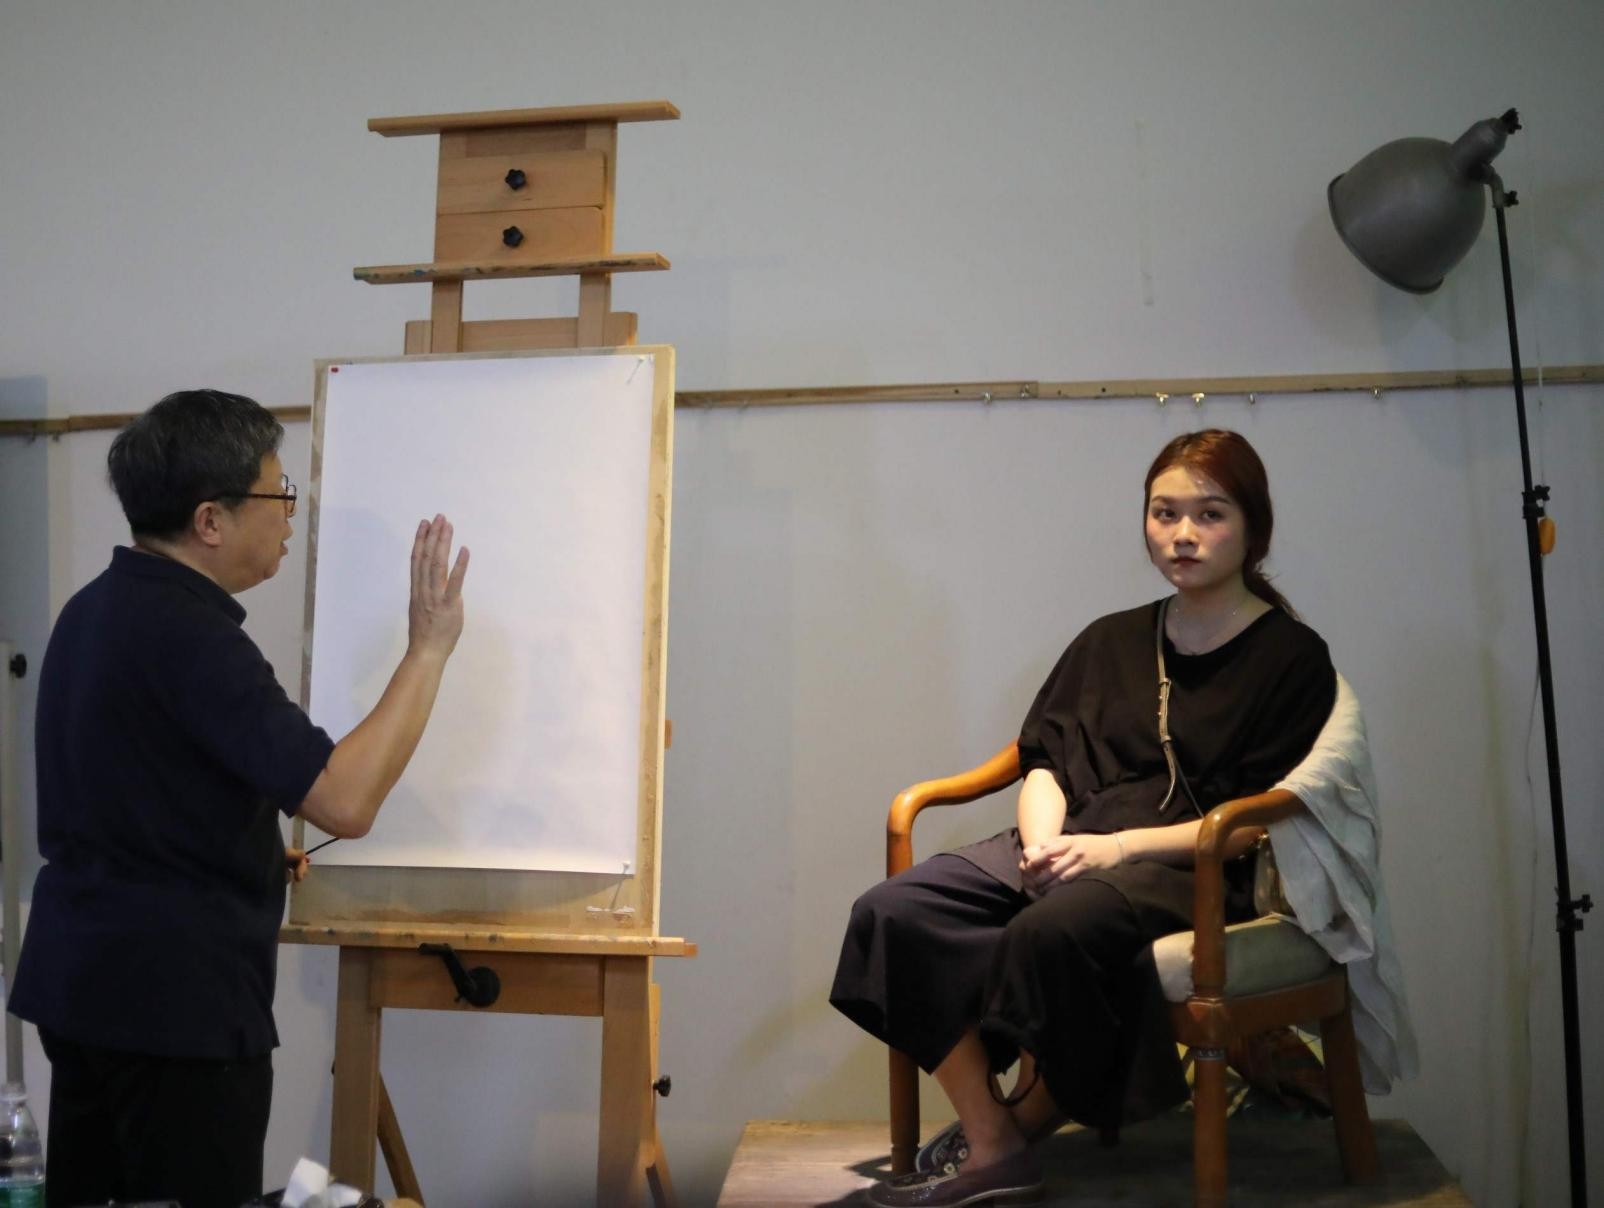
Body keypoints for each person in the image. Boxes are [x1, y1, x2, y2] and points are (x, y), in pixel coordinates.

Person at [831, 429, 1337, 1207]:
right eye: (1165, 513)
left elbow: (1254, 821)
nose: (1184, 533)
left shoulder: (1292, 658)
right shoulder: (1111, 639)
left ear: (1253, 529)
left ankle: (1017, 1130)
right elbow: (1046, 762)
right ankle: (994, 1140)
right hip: (1070, 842)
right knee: (894, 911)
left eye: (1210, 514)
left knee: (1053, 931)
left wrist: (1113, 852)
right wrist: (1043, 845)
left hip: (1192, 866)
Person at [9, 388, 471, 1208]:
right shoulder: (194, 637)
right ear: (210, 520)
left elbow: (131, 801)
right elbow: (346, 801)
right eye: (277, 492)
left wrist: (248, 845)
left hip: (82, 992)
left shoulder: (92, 610)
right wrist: (428, 649)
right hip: (175, 1011)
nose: (290, 514)